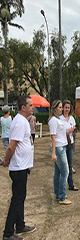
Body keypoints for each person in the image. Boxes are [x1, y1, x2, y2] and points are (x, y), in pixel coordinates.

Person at [2, 95, 36, 240]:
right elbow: (11, 146)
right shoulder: (20, 122)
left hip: (22, 166)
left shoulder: (22, 121)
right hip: (18, 167)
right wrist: (6, 159)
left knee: (21, 197)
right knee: (17, 199)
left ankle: (20, 225)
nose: (33, 107)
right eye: (30, 105)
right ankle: (8, 233)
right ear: (23, 108)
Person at [48, 100, 71, 205]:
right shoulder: (53, 120)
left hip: (61, 147)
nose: (62, 109)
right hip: (58, 148)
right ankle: (61, 196)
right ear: (55, 108)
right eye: (60, 107)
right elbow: (53, 137)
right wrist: (53, 153)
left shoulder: (57, 120)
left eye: (62, 107)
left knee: (58, 172)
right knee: (65, 172)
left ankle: (58, 194)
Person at [60, 100, 78, 191]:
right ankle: (61, 185)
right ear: (62, 108)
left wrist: (74, 132)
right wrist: (69, 131)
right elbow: (59, 132)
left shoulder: (71, 118)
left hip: (70, 143)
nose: (67, 109)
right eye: (65, 107)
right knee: (63, 166)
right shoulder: (59, 118)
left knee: (70, 164)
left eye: (68, 107)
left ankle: (71, 184)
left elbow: (74, 128)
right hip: (62, 144)